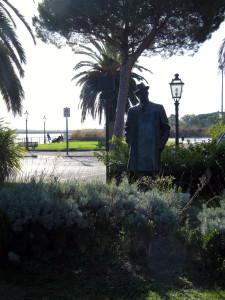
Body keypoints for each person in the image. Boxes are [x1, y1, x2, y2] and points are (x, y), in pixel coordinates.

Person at [125, 83, 170, 177]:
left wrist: (161, 144)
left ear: (147, 93)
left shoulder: (158, 108)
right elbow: (127, 128)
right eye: (140, 93)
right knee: (137, 181)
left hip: (152, 151)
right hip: (137, 153)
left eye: (144, 92)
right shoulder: (132, 111)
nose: (143, 94)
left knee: (152, 179)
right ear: (137, 96)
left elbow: (166, 129)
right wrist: (129, 141)